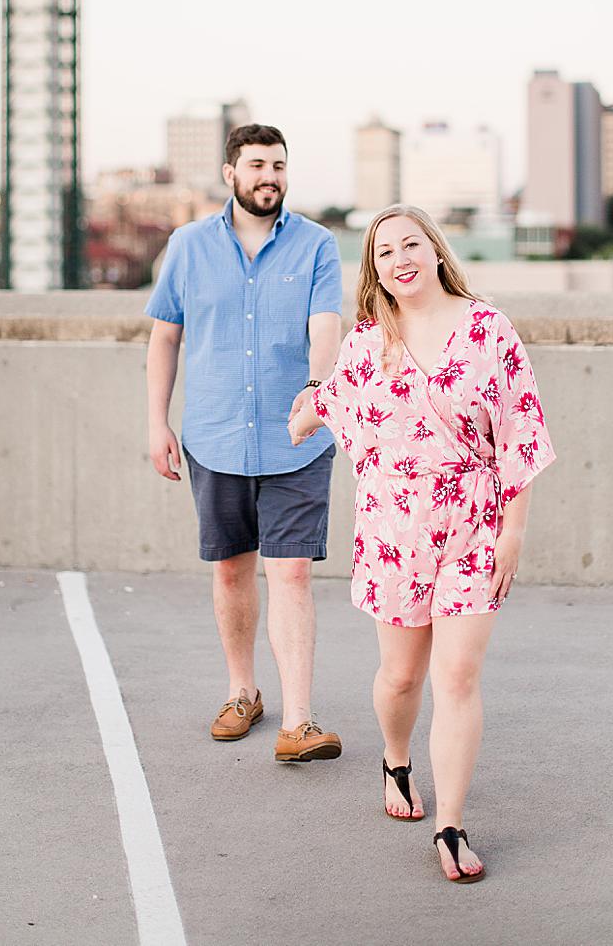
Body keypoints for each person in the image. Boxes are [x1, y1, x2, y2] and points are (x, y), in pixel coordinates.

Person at [288, 205, 555, 880]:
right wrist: (309, 411)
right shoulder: (368, 342)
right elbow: (335, 398)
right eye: (384, 252)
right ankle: (397, 758)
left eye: (411, 243)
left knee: (457, 676)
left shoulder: (489, 330)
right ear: (374, 270)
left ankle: (451, 826)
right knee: (401, 675)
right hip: (393, 530)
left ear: (436, 251)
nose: (399, 258)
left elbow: (521, 434)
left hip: (474, 526)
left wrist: (513, 533)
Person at [145, 123, 345, 762]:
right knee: (232, 570)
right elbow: (165, 338)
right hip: (215, 434)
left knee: (289, 573)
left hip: (297, 438)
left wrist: (317, 389)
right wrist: (158, 423)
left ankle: (301, 722)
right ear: (230, 173)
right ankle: (242, 693)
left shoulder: (316, 245)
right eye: (257, 164)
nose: (270, 176)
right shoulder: (188, 245)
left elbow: (326, 324)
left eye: (280, 165)